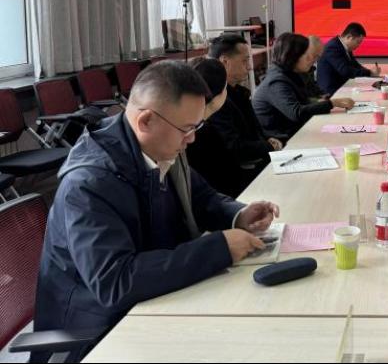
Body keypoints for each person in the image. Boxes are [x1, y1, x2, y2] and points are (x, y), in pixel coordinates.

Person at [33, 61, 279, 360]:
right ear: (146, 121)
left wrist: (238, 214)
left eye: (197, 127)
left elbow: (200, 197)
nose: (192, 139)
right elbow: (115, 282)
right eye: (187, 129)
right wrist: (219, 247)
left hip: (155, 299)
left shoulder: (159, 146)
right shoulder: (89, 184)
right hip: (97, 330)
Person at [186, 47, 277, 197]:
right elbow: (228, 178)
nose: (249, 66)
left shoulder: (193, 127)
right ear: (220, 92)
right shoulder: (204, 132)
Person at [253, 33, 355, 139]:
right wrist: (332, 103)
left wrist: (320, 102)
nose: (312, 60)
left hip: (296, 132)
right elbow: (297, 113)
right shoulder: (276, 81)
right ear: (293, 56)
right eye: (307, 55)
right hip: (283, 140)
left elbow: (305, 101)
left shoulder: (292, 74)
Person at [316, 22, 381, 96]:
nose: (358, 45)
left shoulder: (343, 46)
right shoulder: (333, 47)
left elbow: (355, 64)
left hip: (341, 86)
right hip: (331, 91)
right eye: (358, 42)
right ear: (349, 37)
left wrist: (370, 72)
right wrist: (369, 73)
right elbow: (345, 70)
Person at [303, 35, 327, 100]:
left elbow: (312, 88)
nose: (315, 60)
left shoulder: (310, 68)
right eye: (314, 56)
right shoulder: (297, 70)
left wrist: (324, 95)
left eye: (318, 57)